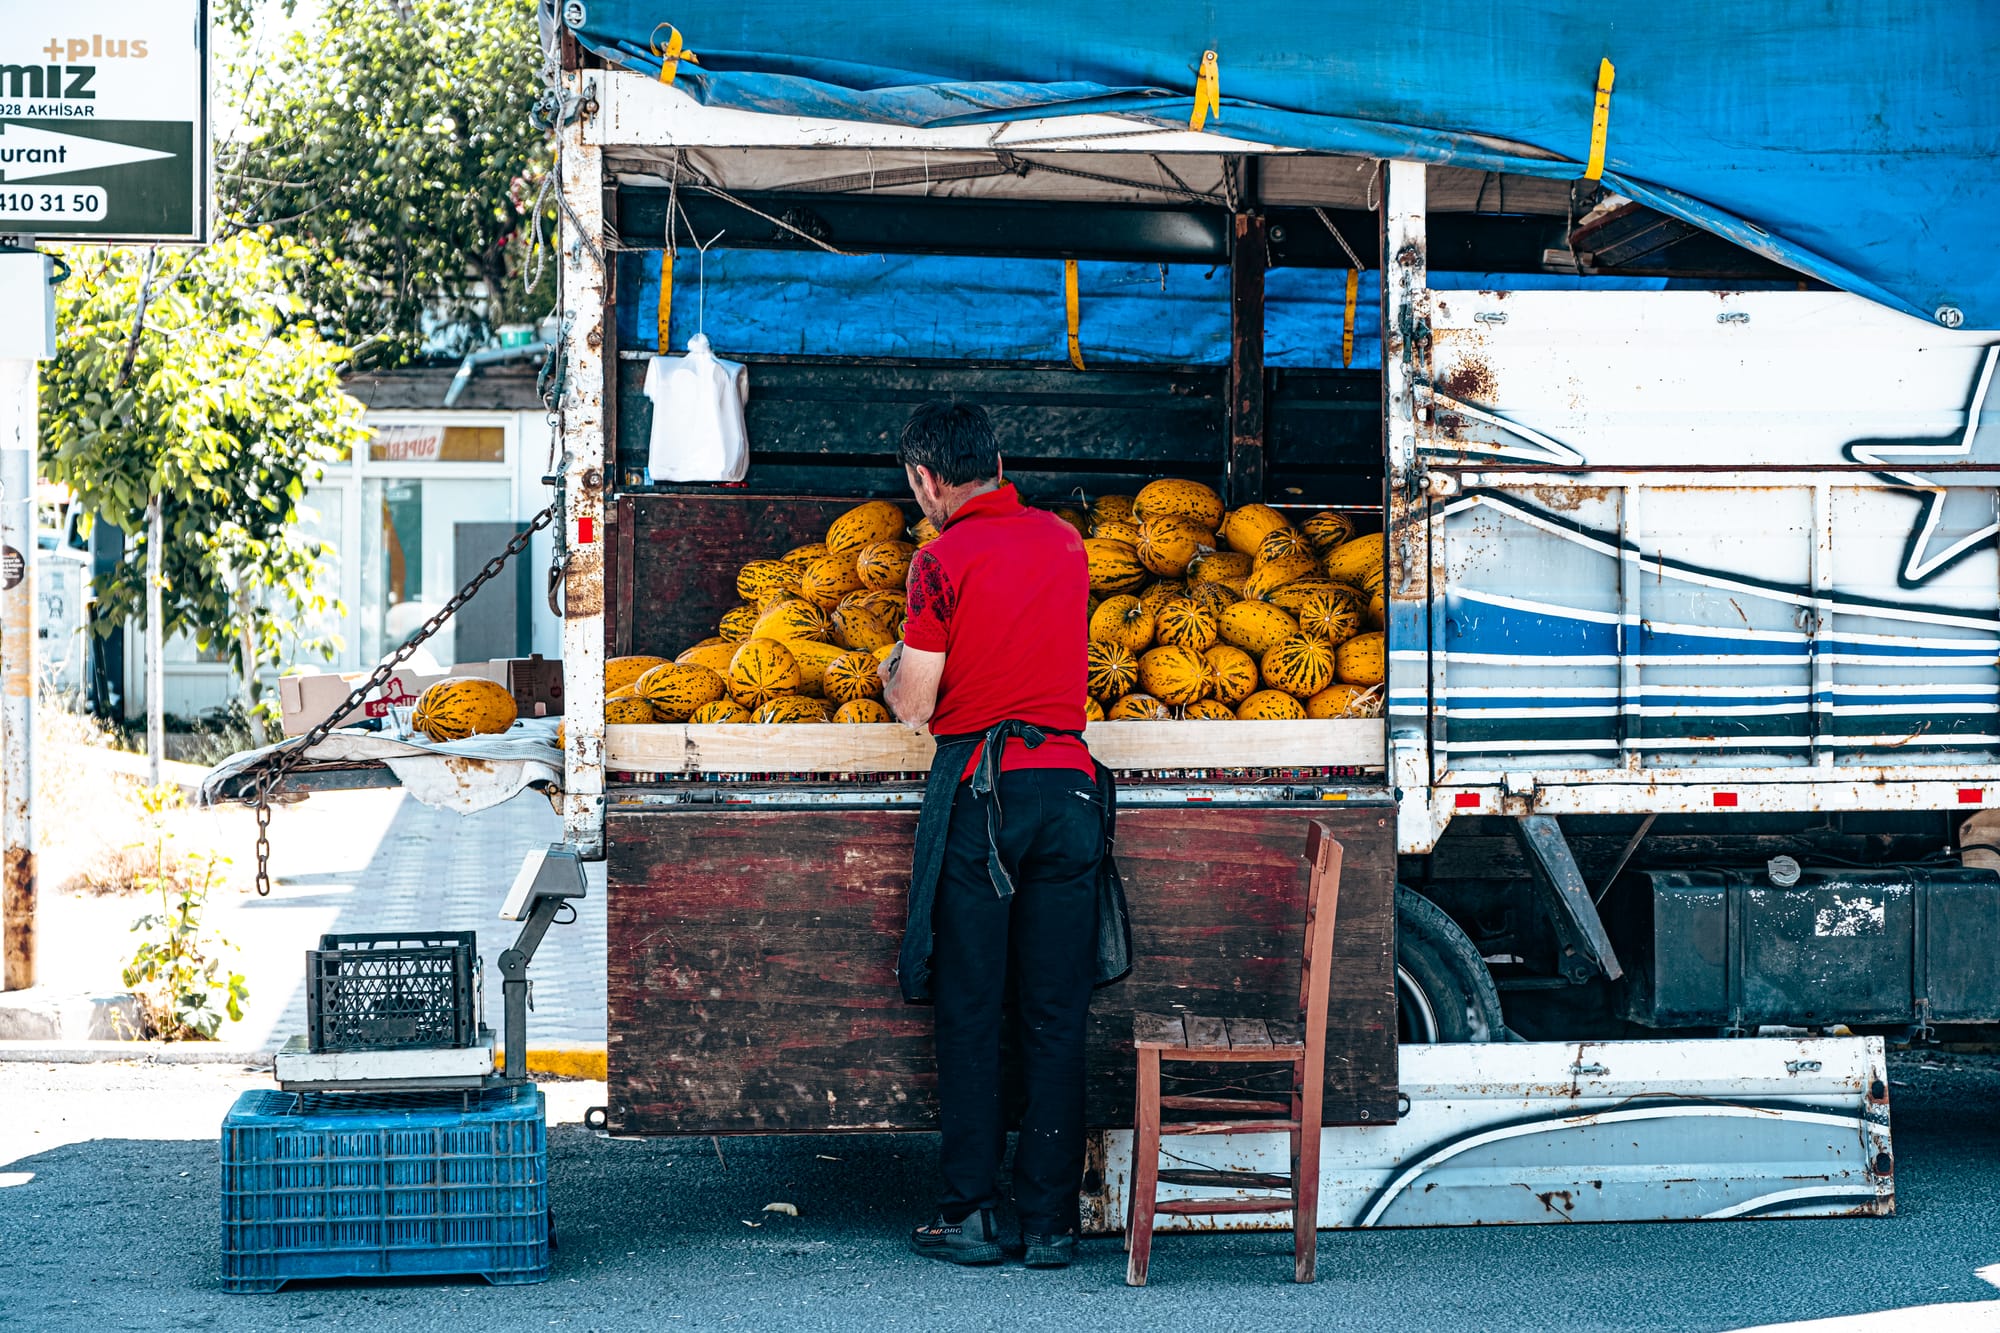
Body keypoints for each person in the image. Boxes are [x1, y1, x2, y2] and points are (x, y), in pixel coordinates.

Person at [881, 400, 1125, 1270]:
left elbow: (916, 703)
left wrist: (887, 670)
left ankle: (971, 1215)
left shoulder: (938, 560)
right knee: (1057, 1013)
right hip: (1069, 790)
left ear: (926, 478)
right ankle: (1054, 1223)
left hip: (985, 798)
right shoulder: (1065, 541)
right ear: (998, 458)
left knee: (974, 1010)